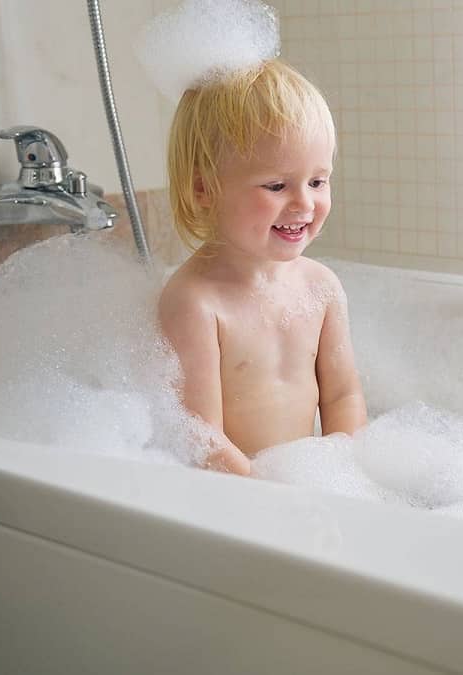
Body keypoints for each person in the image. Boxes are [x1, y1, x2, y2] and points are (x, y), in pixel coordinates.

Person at [159, 59, 367, 476]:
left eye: (318, 181)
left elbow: (342, 396)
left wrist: (346, 476)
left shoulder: (321, 286)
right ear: (205, 189)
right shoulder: (196, 302)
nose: (305, 204)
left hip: (308, 483)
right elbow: (201, 435)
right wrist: (263, 493)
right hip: (236, 494)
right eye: (276, 186)